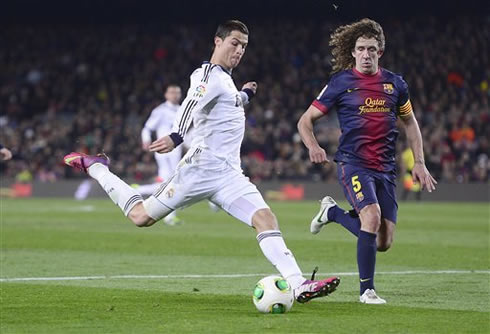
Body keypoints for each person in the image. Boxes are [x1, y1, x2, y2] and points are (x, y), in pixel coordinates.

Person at [64, 19, 339, 303]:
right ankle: (97, 167)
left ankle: (298, 283)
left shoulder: (226, 82)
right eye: (234, 43)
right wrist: (175, 135)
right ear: (217, 41)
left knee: (265, 218)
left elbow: (227, 104)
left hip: (230, 175)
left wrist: (246, 94)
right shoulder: (208, 74)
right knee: (140, 217)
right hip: (199, 170)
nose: (239, 50)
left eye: (244, 46)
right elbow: (191, 104)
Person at [297, 18, 436, 304]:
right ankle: (366, 291)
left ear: (380, 52)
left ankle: (333, 213)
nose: (366, 54)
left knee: (383, 242)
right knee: (370, 218)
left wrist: (419, 162)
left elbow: (410, 123)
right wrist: (313, 145)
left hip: (386, 168)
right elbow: (305, 120)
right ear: (353, 52)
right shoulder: (341, 82)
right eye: (361, 48)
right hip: (353, 163)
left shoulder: (395, 84)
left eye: (372, 49)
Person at [137, 84, 185, 225]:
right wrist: (146, 141)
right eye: (172, 92)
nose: (175, 95)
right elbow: (147, 128)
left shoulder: (182, 109)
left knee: (169, 181)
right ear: (166, 95)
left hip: (177, 151)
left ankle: (139, 190)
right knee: (171, 181)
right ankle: (170, 216)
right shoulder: (160, 110)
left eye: (177, 92)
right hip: (163, 150)